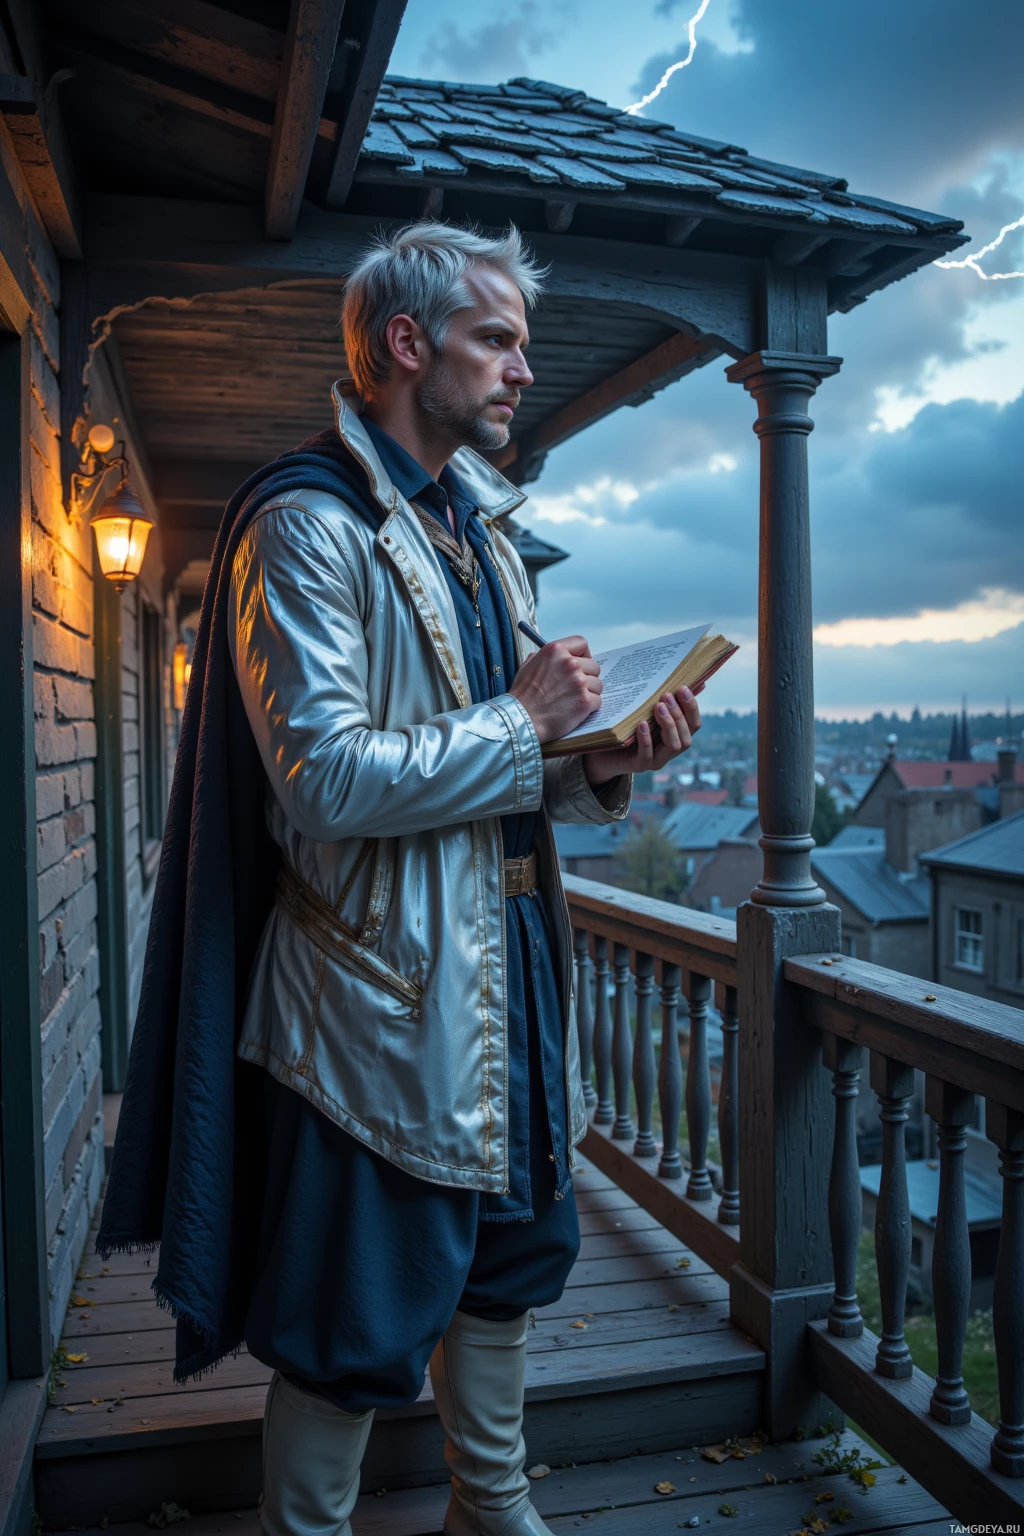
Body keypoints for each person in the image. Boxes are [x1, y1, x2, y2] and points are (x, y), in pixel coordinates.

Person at [104, 221, 702, 1536]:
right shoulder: (305, 529)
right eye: (497, 340)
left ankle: (494, 1510)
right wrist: (526, 722)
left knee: (511, 1266)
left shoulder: (479, 540)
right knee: (354, 1316)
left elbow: (512, 771)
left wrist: (605, 763)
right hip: (377, 997)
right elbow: (320, 780)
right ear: (406, 344)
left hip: (513, 976)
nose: (520, 370)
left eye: (524, 346)